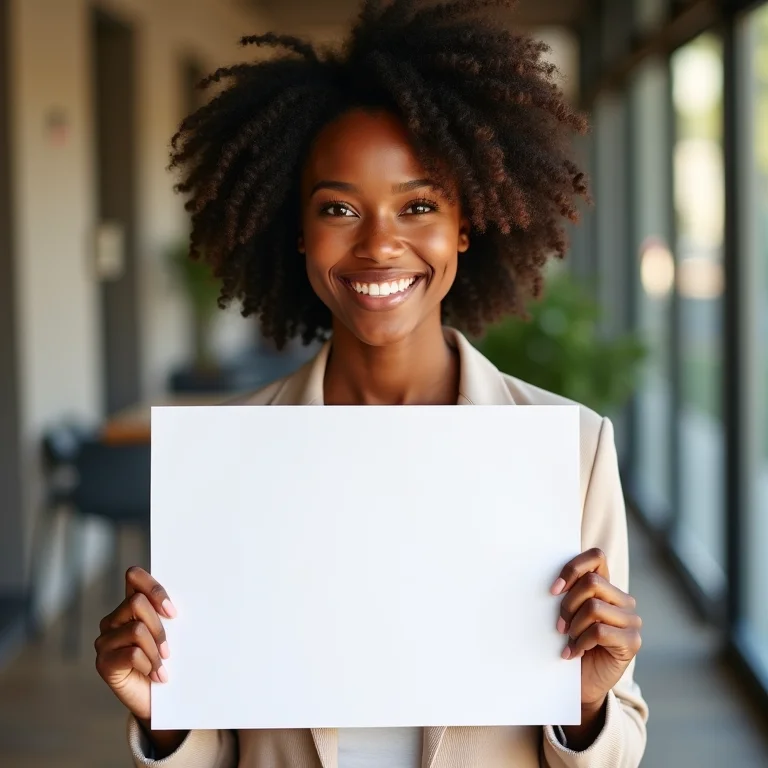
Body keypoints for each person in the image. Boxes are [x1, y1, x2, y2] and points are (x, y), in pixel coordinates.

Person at [93, 1, 648, 766]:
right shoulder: (227, 459)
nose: (380, 244)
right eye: (339, 208)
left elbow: (617, 742)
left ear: (464, 225)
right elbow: (217, 744)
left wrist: (585, 707)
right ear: (298, 231)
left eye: (418, 205)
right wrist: (164, 715)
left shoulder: (571, 450)